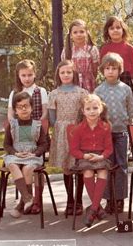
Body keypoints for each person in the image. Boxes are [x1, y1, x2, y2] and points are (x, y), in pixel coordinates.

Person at [94, 53, 133, 214]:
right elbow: (94, 114)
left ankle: (119, 199)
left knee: (122, 167)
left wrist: (128, 126)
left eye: (114, 68)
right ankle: (108, 199)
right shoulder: (98, 90)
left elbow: (130, 110)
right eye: (107, 68)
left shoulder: (126, 89)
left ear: (120, 70)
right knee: (106, 166)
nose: (111, 71)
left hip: (121, 133)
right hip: (105, 135)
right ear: (103, 70)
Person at [7, 59, 48, 214]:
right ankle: (26, 200)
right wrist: (15, 125)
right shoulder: (14, 93)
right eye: (23, 75)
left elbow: (44, 112)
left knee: (33, 167)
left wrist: (35, 125)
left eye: (30, 74)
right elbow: (10, 114)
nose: (27, 78)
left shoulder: (41, 91)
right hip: (19, 137)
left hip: (36, 134)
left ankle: (36, 200)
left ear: (34, 74)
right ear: (18, 76)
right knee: (20, 166)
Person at [48, 60, 88, 216]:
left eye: (69, 72)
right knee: (67, 166)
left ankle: (79, 201)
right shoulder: (54, 94)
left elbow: (87, 113)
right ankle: (69, 200)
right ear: (58, 74)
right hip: (61, 131)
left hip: (78, 131)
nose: (66, 75)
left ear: (74, 74)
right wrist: (60, 126)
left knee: (79, 165)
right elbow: (52, 118)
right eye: (63, 72)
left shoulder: (82, 93)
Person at [69, 94, 114, 227]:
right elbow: (74, 150)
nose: (92, 111)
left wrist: (101, 156)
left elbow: (109, 148)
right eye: (88, 109)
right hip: (85, 157)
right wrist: (84, 156)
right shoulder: (78, 129)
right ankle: (98, 208)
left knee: (103, 172)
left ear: (101, 109)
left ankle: (93, 209)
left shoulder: (106, 127)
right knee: (87, 172)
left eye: (95, 108)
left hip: (100, 156)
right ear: (83, 111)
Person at [100, 16, 133, 107]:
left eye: (118, 27)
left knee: (125, 102)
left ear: (123, 30)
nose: (115, 30)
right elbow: (101, 64)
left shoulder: (129, 48)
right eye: (112, 28)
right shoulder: (105, 48)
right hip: (110, 78)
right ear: (107, 31)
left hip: (125, 78)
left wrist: (128, 75)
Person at [61, 19, 99, 92]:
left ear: (86, 33)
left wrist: (88, 77)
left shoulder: (92, 50)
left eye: (81, 32)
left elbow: (95, 70)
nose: (79, 35)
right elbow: (65, 68)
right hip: (72, 83)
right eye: (75, 32)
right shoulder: (67, 51)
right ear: (71, 35)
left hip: (89, 83)